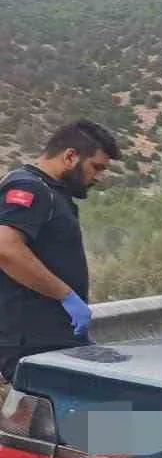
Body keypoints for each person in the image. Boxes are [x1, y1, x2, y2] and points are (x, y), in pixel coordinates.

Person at [0, 119, 121, 381]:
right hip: (33, 346)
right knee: (99, 419)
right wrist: (66, 296)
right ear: (70, 156)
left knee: (101, 416)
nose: (98, 177)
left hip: (54, 340)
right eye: (96, 167)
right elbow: (5, 248)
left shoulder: (53, 193)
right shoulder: (30, 187)